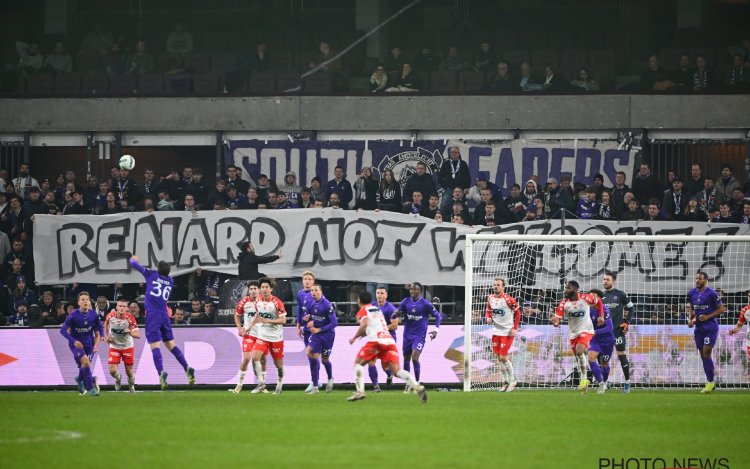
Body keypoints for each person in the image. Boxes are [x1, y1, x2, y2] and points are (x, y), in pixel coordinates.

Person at [347, 291, 426, 403]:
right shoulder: (377, 310)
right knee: (397, 371)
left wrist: (354, 337)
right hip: (389, 341)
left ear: (359, 301)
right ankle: (417, 387)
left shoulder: (363, 310)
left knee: (358, 364)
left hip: (376, 341)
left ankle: (360, 392)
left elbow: (364, 324)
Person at [130, 256, 195, 390]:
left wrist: (134, 259)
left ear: (158, 269)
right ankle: (186, 367)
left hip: (152, 315)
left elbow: (133, 264)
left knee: (155, 346)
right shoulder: (170, 281)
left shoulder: (151, 274)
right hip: (164, 315)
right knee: (171, 344)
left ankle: (161, 373)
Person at [552, 281, 604, 394]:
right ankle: (583, 381)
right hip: (573, 333)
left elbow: (599, 302)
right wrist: (556, 322)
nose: (565, 290)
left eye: (568, 288)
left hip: (587, 330)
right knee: (578, 357)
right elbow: (558, 318)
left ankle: (584, 380)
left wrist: (601, 316)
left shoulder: (585, 298)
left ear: (575, 290)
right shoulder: (563, 303)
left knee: (580, 351)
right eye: (565, 288)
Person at [396, 282, 441, 393]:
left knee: (415, 358)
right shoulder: (405, 301)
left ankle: (416, 383)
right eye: (411, 289)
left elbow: (438, 316)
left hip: (419, 336)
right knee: (406, 359)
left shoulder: (426, 304)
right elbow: (396, 313)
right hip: (407, 335)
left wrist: (436, 330)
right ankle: (408, 384)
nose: (413, 291)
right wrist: (395, 314)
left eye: (415, 289)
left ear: (420, 291)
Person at [687, 271, 725, 394]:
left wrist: (708, 317)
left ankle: (710, 382)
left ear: (706, 280)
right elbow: (692, 308)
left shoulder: (712, 293)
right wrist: (690, 319)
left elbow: (721, 309)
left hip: (710, 327)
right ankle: (710, 381)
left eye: (700, 278)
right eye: (696, 278)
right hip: (699, 328)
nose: (697, 280)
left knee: (706, 353)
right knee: (703, 355)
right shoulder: (692, 293)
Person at [59, 292, 103, 396]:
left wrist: (101, 336)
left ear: (89, 302)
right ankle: (91, 389)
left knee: (84, 366)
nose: (85, 302)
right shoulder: (73, 316)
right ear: (78, 302)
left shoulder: (93, 315)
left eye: (87, 300)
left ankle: (79, 379)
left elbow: (99, 327)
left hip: (89, 344)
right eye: (82, 300)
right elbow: (63, 331)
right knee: (86, 363)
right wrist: (74, 341)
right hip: (76, 345)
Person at [249, 277, 287, 394]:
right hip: (263, 334)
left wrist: (267, 321)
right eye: (262, 287)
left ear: (271, 289)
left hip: (276, 337)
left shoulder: (277, 302)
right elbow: (258, 315)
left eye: (266, 287)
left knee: (278, 365)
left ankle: (279, 386)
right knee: (255, 358)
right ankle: (261, 384)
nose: (264, 289)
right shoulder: (258, 301)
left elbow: (283, 320)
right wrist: (250, 326)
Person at [485, 277, 521, 392]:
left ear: (503, 287)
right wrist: (488, 318)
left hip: (507, 332)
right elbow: (489, 310)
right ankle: (505, 382)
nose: (495, 286)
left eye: (498, 285)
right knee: (498, 358)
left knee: (503, 356)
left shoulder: (508, 299)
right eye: (494, 284)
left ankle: (513, 380)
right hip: (496, 331)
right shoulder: (490, 298)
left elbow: (518, 313)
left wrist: (515, 328)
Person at [602, 271, 635, 393]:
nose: (605, 281)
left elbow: (631, 308)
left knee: (621, 355)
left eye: (607, 280)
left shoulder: (621, 294)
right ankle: (605, 382)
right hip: (605, 332)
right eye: (604, 279)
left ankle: (627, 383)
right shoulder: (601, 296)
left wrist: (627, 321)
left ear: (613, 281)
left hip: (618, 331)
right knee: (603, 358)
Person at [231, 280, 266, 394]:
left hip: (261, 334)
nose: (253, 291)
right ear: (248, 290)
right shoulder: (244, 302)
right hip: (248, 334)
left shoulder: (264, 301)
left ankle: (262, 385)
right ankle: (239, 385)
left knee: (262, 359)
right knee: (246, 358)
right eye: (251, 289)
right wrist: (239, 328)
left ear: (259, 290)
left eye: (255, 288)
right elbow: (236, 315)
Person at [303, 283, 338, 394]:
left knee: (324, 360)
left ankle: (330, 378)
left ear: (321, 291)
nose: (313, 293)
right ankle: (315, 386)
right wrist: (306, 319)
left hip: (327, 335)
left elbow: (334, 323)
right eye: (312, 291)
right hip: (316, 335)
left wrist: (319, 328)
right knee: (310, 353)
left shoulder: (327, 305)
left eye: (316, 290)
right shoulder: (311, 303)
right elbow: (308, 318)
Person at [104, 298, 140, 393]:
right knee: (112, 371)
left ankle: (131, 386)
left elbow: (138, 335)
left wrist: (130, 332)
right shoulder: (110, 316)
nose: (122, 308)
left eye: (124, 306)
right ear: (116, 307)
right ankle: (118, 378)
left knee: (129, 372)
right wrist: (107, 336)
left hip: (127, 346)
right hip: (114, 346)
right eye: (120, 306)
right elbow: (106, 324)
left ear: (127, 308)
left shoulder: (130, 319)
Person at [368, 285, 399, 392]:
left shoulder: (390, 309)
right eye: (377, 293)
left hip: (388, 339)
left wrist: (381, 329)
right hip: (376, 339)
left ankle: (390, 376)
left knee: (385, 366)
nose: (379, 295)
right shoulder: (372, 306)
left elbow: (395, 325)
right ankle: (376, 386)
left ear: (386, 295)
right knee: (371, 361)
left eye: (382, 293)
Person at [587, 289, 616, 395]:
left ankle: (605, 381)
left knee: (604, 364)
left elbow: (609, 328)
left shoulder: (604, 310)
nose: (591, 298)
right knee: (591, 358)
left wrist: (595, 331)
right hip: (595, 339)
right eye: (590, 296)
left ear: (599, 299)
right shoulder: (587, 310)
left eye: (594, 296)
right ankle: (600, 384)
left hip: (607, 340)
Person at [296, 271, 316, 391]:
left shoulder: (316, 294)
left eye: (309, 279)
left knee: (313, 354)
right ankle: (315, 380)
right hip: (306, 329)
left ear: (313, 281)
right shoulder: (300, 294)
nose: (307, 281)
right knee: (310, 355)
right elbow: (299, 310)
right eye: (305, 279)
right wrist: (298, 325)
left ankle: (316, 381)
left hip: (316, 329)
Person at [728, 294, 750, 359]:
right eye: (749, 296)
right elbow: (739, 326)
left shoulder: (746, 310)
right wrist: (733, 331)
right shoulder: (745, 310)